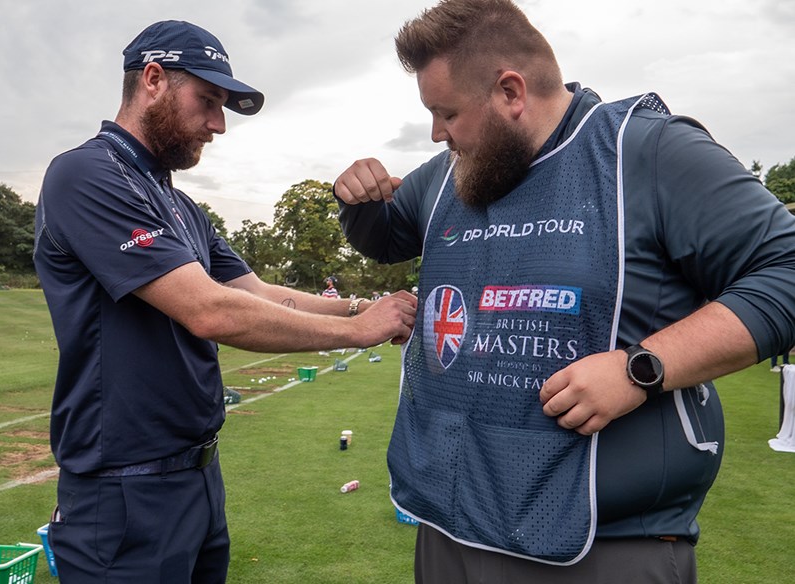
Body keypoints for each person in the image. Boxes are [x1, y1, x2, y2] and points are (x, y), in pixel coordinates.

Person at [333, 1, 795, 582]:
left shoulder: (644, 152)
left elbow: (786, 267)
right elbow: (386, 235)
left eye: (446, 112)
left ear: (510, 92)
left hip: (608, 545)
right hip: (450, 528)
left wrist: (640, 369)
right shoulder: (451, 171)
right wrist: (354, 199)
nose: (436, 132)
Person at [33, 20, 416, 584]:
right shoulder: (86, 174)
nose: (218, 124)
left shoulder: (180, 205)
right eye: (207, 100)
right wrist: (358, 334)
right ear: (154, 79)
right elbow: (210, 311)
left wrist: (365, 310)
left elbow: (258, 294)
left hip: (197, 477)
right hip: (122, 490)